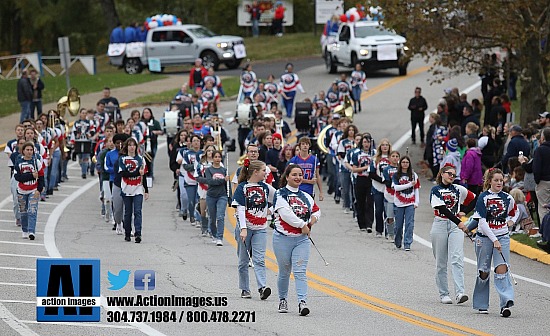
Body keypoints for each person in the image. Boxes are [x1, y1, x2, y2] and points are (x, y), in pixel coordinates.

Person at [272, 164, 321, 316]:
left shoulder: (306, 196)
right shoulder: (280, 194)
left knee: (300, 271)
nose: (298, 177)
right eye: (294, 174)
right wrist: (302, 225)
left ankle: (302, 302)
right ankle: (283, 299)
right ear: (287, 177)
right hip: (282, 238)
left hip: (301, 240)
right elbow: (286, 214)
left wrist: (312, 221)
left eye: (300, 174)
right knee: (285, 271)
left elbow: (317, 210)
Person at [471, 168, 519, 317]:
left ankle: (505, 304)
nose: (499, 183)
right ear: (489, 181)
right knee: (483, 272)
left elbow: (515, 211)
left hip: (503, 237)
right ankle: (481, 304)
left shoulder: (507, 197)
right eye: (496, 180)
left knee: (502, 270)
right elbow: (483, 222)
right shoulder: (483, 198)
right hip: (484, 238)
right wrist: (494, 240)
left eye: (501, 180)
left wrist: (511, 221)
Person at [430, 164, 475, 305]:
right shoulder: (435, 190)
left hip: (455, 227)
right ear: (442, 174)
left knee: (457, 258)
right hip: (440, 224)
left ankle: (460, 292)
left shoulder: (458, 189)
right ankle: (444, 293)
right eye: (449, 173)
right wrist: (459, 222)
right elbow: (442, 209)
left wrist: (465, 211)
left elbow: (474, 198)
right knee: (441, 262)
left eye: (454, 175)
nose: (451, 176)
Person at [233, 159, 276, 299]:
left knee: (259, 259)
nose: (266, 173)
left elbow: (279, 197)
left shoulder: (265, 187)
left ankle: (262, 287)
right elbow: (240, 208)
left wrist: (271, 210)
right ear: (255, 172)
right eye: (264, 170)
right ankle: (245, 288)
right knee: (243, 261)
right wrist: (243, 229)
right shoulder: (242, 187)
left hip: (260, 228)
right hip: (246, 227)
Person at [118, 137, 149, 243]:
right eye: (130, 145)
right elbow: (123, 174)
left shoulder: (141, 159)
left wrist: (146, 190)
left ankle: (138, 233)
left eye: (133, 145)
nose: (132, 147)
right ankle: (127, 232)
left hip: (138, 188)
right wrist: (136, 173)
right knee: (128, 212)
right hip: (127, 188)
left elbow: (143, 176)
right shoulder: (122, 159)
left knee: (137, 211)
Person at [197, 150, 229, 246]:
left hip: (222, 195)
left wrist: (230, 196)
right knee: (212, 217)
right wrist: (222, 180)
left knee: (220, 216)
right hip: (211, 196)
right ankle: (214, 234)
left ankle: (220, 237)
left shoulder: (224, 170)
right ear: (213, 158)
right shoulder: (209, 170)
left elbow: (227, 185)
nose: (217, 159)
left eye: (219, 157)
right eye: (215, 157)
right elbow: (210, 181)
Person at [351, 134, 382, 232]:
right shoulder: (357, 153)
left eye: (368, 142)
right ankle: (362, 224)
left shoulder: (374, 153)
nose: (367, 144)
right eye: (365, 142)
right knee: (360, 202)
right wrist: (366, 168)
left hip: (370, 180)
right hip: (360, 179)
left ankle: (369, 224)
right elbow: (354, 169)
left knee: (370, 202)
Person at [13, 141, 44, 240]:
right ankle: (25, 230)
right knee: (23, 212)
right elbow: (18, 177)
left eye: (31, 150)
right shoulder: (18, 162)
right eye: (27, 150)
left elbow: (41, 176)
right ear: (23, 151)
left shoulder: (36, 162)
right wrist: (31, 176)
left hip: (33, 190)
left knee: (32, 210)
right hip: (21, 190)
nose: (29, 152)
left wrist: (39, 189)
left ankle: (31, 231)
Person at [392, 156, 420, 250]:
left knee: (409, 224)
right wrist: (409, 184)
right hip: (399, 203)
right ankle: (398, 241)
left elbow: (416, 189)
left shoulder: (414, 175)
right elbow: (396, 187)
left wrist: (416, 202)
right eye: (403, 162)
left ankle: (407, 243)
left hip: (410, 202)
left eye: (407, 162)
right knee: (399, 225)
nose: (405, 164)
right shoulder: (396, 175)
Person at [177, 134, 201, 223]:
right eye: (194, 141)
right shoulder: (187, 154)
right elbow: (186, 166)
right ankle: (191, 215)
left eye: (198, 141)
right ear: (191, 143)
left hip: (200, 181)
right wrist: (195, 166)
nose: (196, 143)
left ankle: (197, 217)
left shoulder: (203, 154)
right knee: (190, 200)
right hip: (189, 180)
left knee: (198, 200)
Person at [373, 139, 392, 236]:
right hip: (377, 187)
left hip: (389, 189)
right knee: (379, 209)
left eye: (386, 145)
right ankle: (379, 230)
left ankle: (388, 231)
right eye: (383, 145)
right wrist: (382, 180)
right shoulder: (376, 159)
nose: (385, 147)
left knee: (388, 211)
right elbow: (371, 173)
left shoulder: (392, 158)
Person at [382, 150, 400, 240]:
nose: (395, 158)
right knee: (390, 216)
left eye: (397, 156)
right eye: (393, 156)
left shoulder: (401, 169)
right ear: (389, 158)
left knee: (399, 217)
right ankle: (390, 233)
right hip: (389, 196)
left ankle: (398, 233)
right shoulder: (386, 169)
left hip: (400, 196)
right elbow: (387, 182)